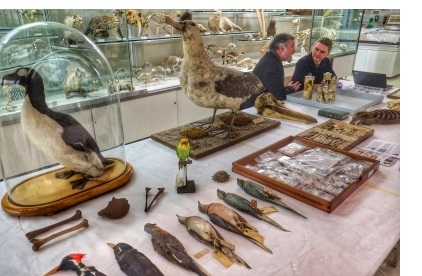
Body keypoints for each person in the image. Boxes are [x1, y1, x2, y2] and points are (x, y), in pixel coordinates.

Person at [240, 33, 300, 109]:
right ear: (281, 48)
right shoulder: (273, 64)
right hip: (251, 111)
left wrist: (287, 88)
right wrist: (291, 89)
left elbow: (273, 91)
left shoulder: (270, 59)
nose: (294, 50)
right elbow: (278, 96)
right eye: (292, 46)